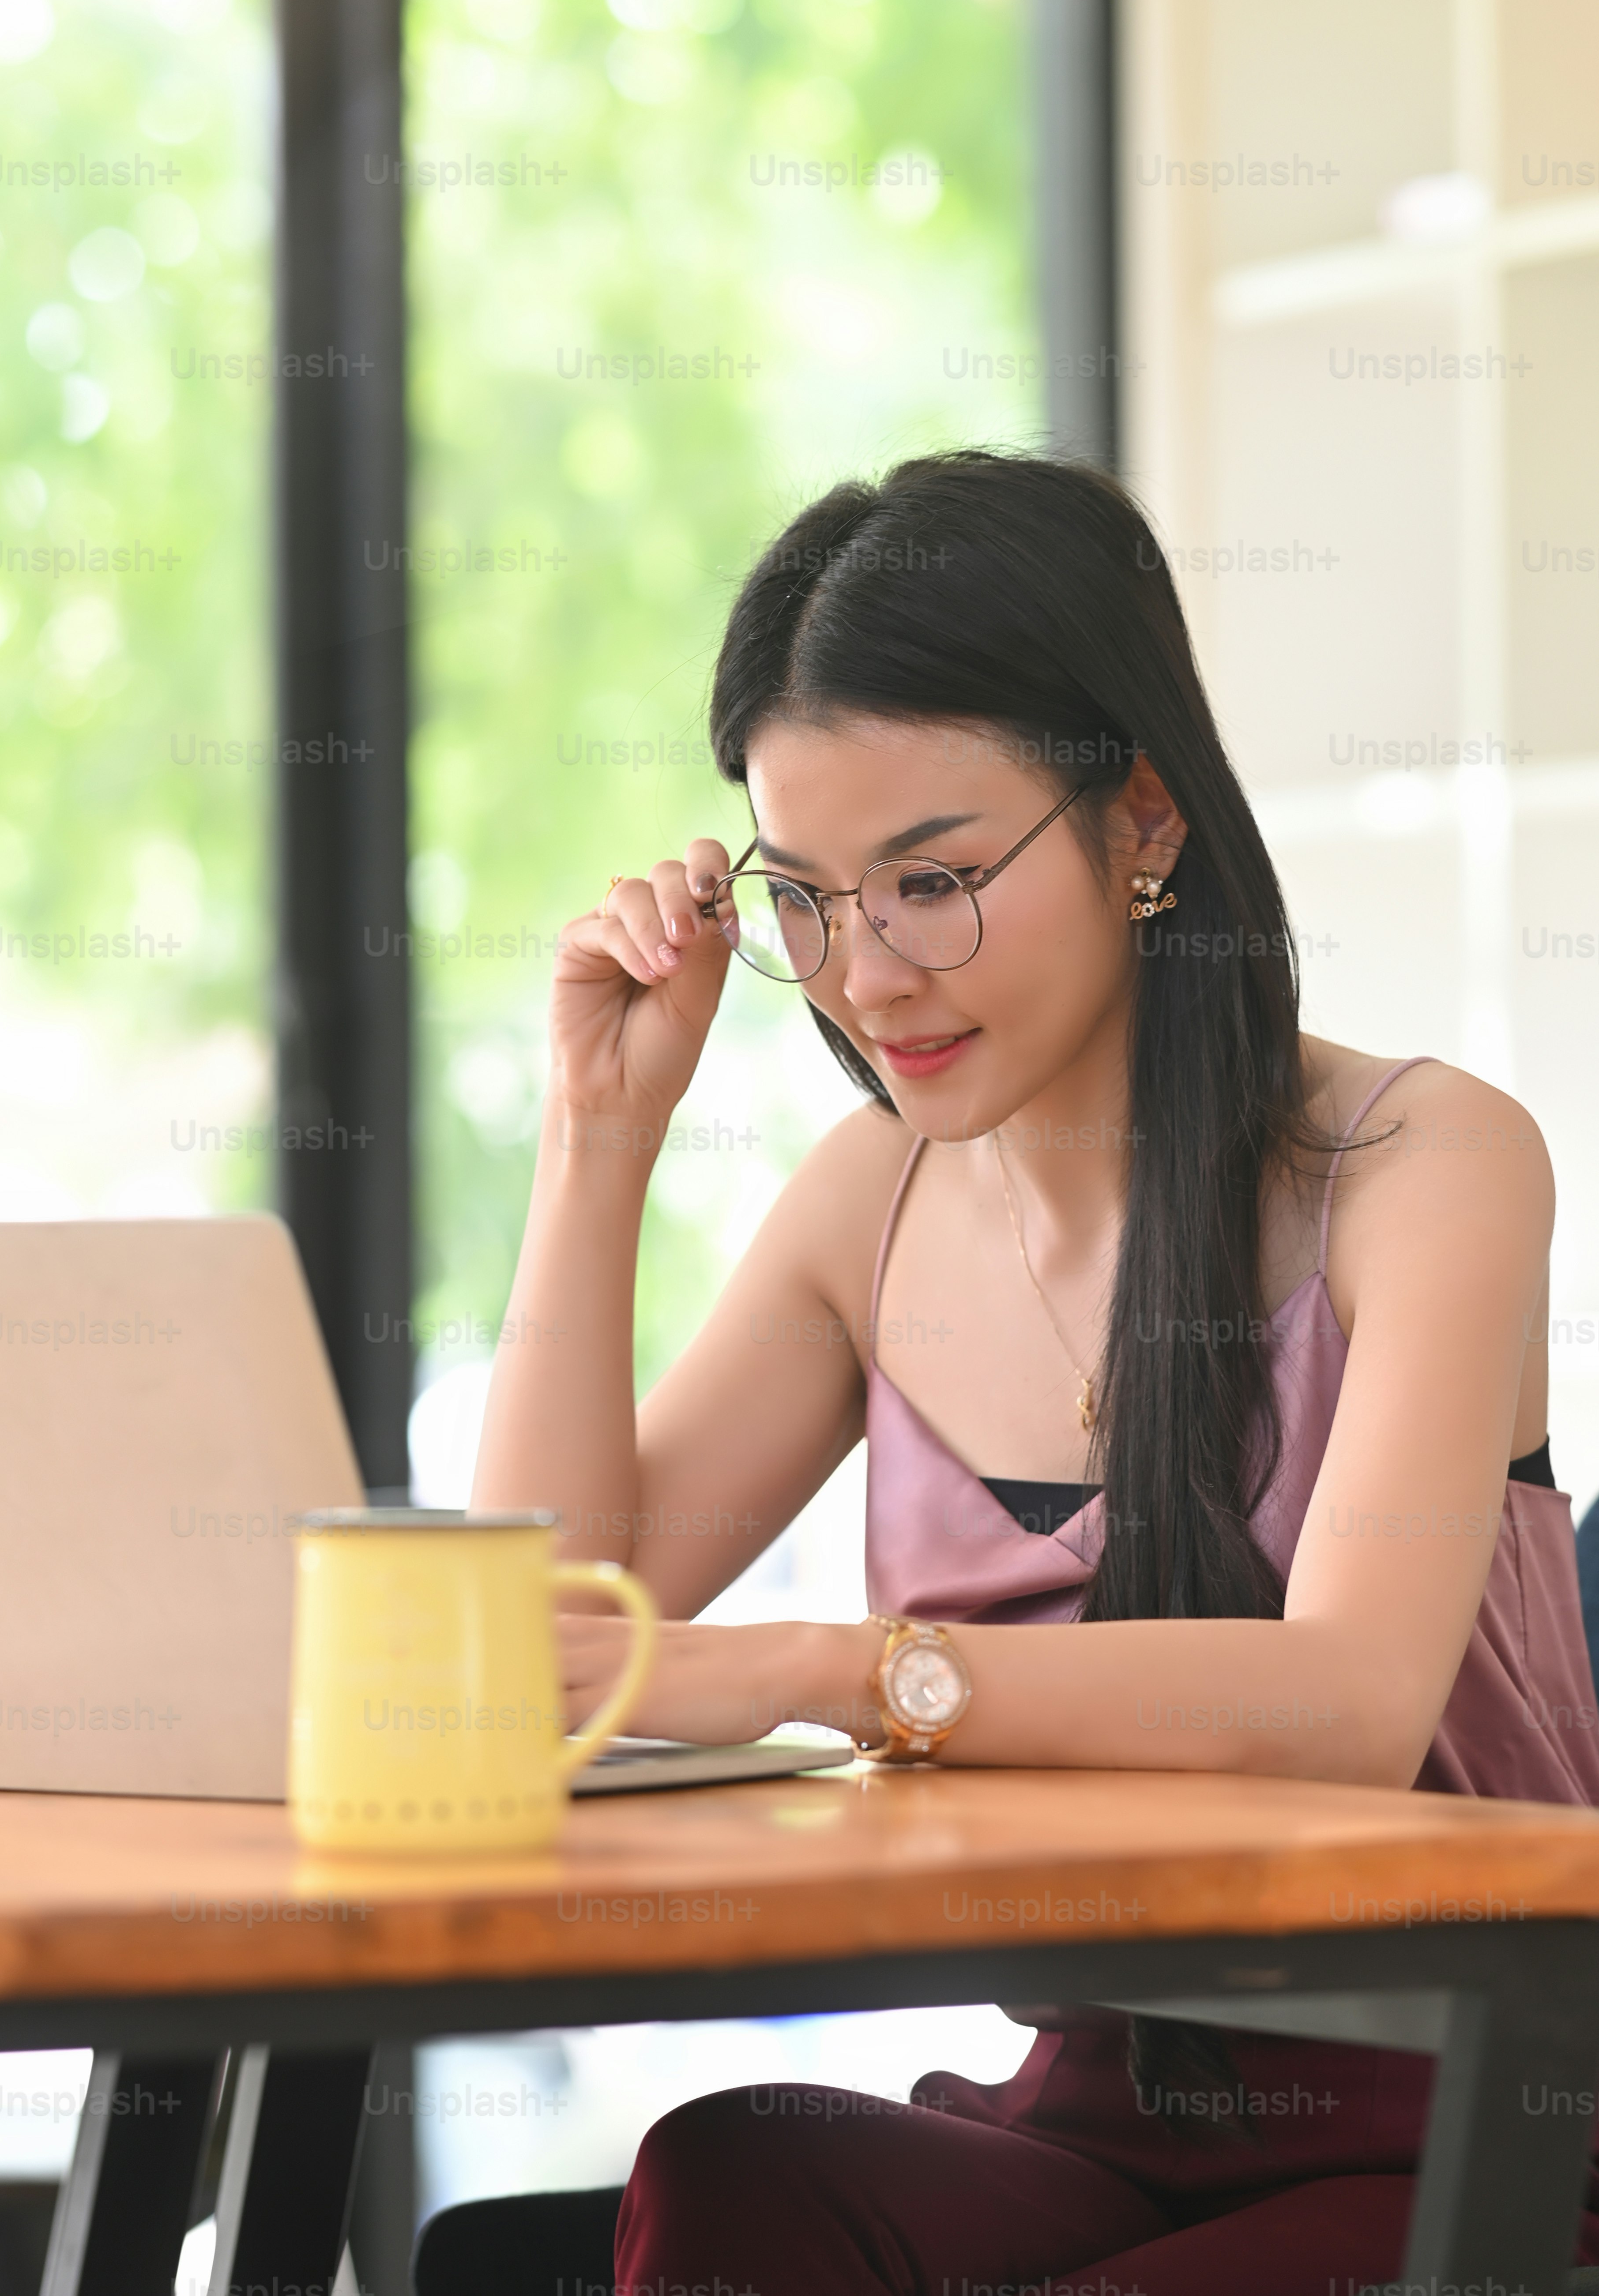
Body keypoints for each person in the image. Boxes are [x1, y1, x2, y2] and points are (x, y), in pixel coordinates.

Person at [433, 449, 1599, 2294]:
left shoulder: (1422, 1165)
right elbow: (539, 1637)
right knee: (733, 2182)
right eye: (805, 901)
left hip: (1468, 2139)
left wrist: (834, 1673)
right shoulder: (870, 1206)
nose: (867, 977)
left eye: (933, 881)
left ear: (1140, 822)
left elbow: (1351, 1703)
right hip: (1093, 2128)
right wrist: (596, 1140)